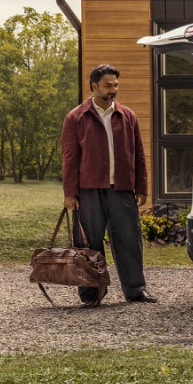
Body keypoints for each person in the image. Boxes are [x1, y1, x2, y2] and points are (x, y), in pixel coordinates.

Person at [60, 64, 156, 305]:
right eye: (108, 85)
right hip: (88, 191)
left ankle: (136, 291)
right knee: (88, 244)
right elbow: (70, 158)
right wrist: (70, 193)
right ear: (94, 87)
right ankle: (91, 294)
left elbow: (139, 154)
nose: (113, 90)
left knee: (129, 240)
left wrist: (142, 187)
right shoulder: (75, 118)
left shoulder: (128, 116)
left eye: (115, 85)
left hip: (122, 189)